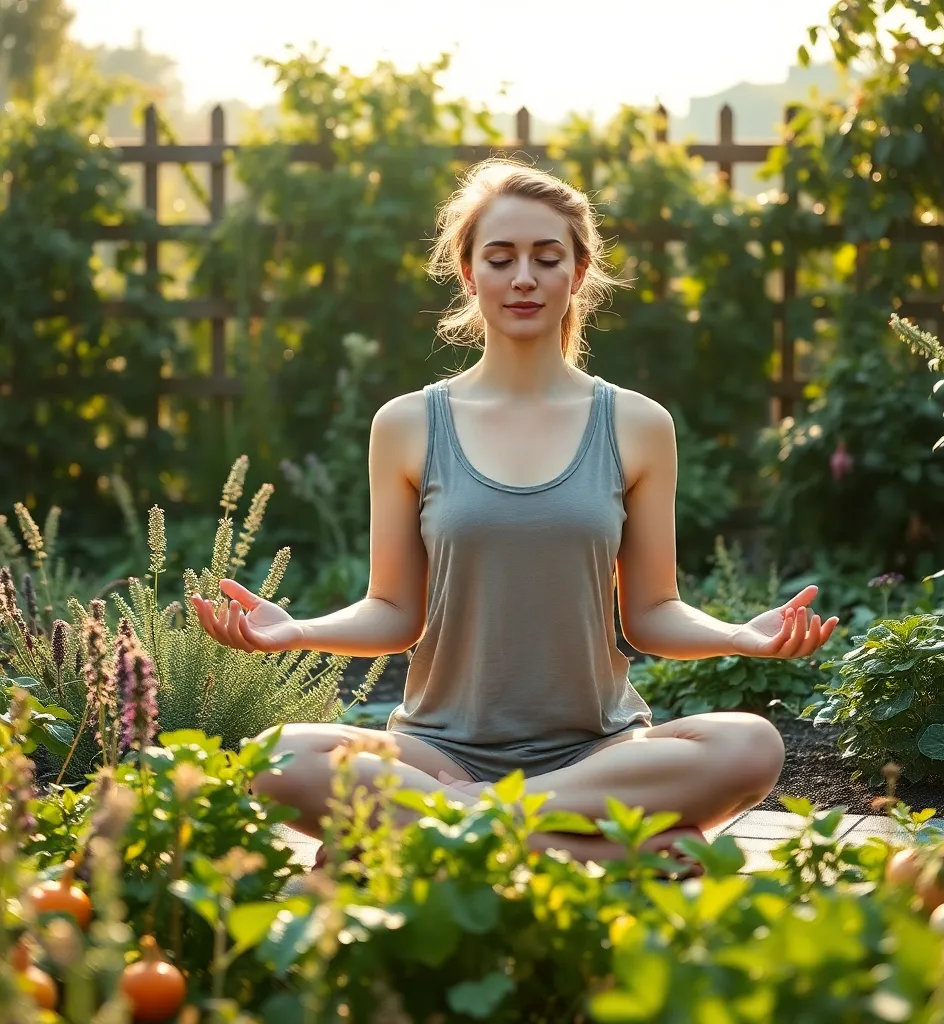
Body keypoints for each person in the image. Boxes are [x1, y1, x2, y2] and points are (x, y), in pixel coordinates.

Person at [191, 158, 839, 873]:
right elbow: (393, 610)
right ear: (469, 274)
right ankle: (594, 849)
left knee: (751, 745)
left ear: (579, 271)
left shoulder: (637, 424)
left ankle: (449, 828)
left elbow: (652, 613)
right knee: (275, 757)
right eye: (500, 258)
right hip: (439, 749)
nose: (523, 277)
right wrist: (296, 631)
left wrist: (741, 638)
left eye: (546, 257)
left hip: (599, 751)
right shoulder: (408, 424)